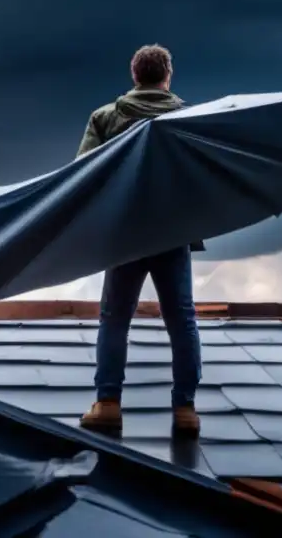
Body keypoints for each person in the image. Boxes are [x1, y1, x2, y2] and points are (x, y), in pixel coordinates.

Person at [75, 44, 203, 436]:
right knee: (181, 320)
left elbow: (83, 175)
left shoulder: (105, 118)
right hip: (172, 232)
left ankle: (108, 403)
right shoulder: (191, 119)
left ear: (134, 76)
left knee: (115, 320)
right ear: (167, 77)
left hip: (124, 233)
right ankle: (185, 410)